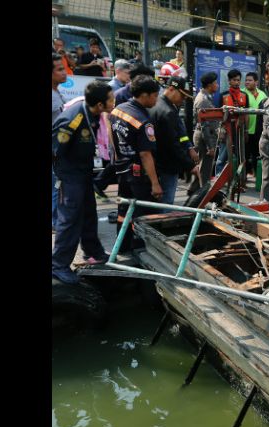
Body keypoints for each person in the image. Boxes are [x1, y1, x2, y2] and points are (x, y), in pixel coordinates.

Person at [52, 81, 115, 284]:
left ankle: (93, 252)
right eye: (110, 99)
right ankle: (58, 265)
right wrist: (63, 179)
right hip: (70, 176)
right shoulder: (73, 119)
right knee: (70, 219)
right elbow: (55, 151)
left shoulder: (94, 114)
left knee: (89, 213)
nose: (114, 102)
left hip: (84, 172)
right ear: (99, 104)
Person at [109, 75, 161, 251]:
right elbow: (146, 154)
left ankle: (122, 245)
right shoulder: (143, 120)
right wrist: (155, 184)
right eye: (155, 95)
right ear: (145, 95)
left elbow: (111, 134)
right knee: (143, 211)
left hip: (122, 168)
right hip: (139, 173)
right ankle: (139, 247)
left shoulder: (118, 109)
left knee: (124, 209)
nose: (156, 99)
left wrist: (117, 157)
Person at [149, 76, 200, 208]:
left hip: (157, 163)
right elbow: (173, 145)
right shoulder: (167, 111)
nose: (183, 100)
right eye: (182, 96)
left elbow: (180, 134)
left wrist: (189, 147)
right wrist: (190, 166)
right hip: (167, 165)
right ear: (171, 89)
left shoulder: (159, 104)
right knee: (165, 206)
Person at [189, 71, 220, 195]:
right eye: (215, 83)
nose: (217, 85)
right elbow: (205, 125)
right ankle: (201, 196)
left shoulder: (206, 97)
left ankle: (194, 191)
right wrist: (210, 146)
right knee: (205, 169)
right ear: (210, 85)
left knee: (203, 167)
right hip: (204, 137)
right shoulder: (203, 100)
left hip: (204, 135)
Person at [215, 69, 248, 175]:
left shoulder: (244, 95)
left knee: (240, 157)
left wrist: (246, 130)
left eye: (238, 80)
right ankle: (218, 179)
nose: (237, 82)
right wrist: (220, 131)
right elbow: (218, 115)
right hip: (227, 130)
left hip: (240, 131)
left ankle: (239, 180)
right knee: (222, 158)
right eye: (234, 80)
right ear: (229, 81)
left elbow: (246, 114)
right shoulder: (223, 95)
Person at [52, 53, 68, 232]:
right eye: (59, 69)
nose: (64, 73)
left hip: (58, 150)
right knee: (56, 187)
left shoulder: (57, 93)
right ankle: (55, 222)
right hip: (55, 152)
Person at [243, 71, 267, 178]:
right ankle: (243, 179)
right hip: (245, 130)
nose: (247, 82)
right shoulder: (242, 93)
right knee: (244, 155)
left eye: (250, 80)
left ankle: (258, 177)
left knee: (257, 155)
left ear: (256, 82)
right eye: (246, 80)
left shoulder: (263, 94)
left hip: (259, 131)